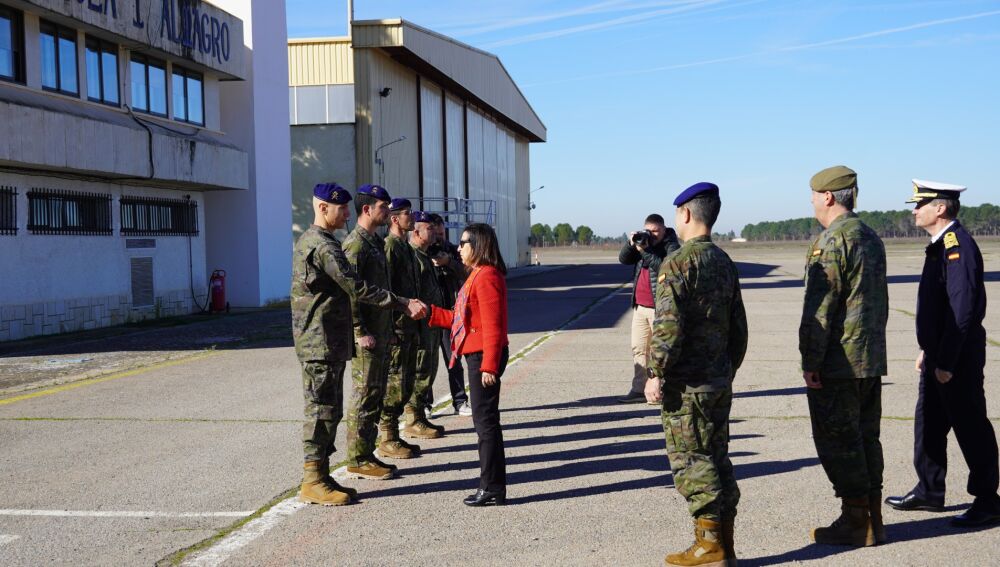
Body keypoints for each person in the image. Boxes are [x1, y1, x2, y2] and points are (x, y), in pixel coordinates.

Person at [291, 183, 424, 505]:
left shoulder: (327, 242)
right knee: (321, 411)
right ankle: (313, 479)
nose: (347, 214)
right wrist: (402, 303)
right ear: (323, 207)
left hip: (329, 340)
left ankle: (321, 475)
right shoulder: (321, 245)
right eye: (341, 208)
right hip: (319, 341)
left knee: (330, 410)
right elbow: (355, 286)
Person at [885, 180, 1000, 527]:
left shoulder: (957, 246)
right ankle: (930, 490)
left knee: (970, 426)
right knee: (929, 424)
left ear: (941, 208)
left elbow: (961, 310)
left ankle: (987, 500)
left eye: (920, 204)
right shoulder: (939, 246)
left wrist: (947, 361)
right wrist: (928, 349)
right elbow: (940, 307)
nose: (914, 210)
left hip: (958, 357)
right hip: (938, 354)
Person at [645, 182, 747, 566]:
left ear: (685, 214)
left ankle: (710, 547)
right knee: (717, 459)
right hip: (718, 380)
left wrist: (655, 373)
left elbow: (667, 328)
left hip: (687, 386)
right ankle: (726, 543)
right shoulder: (723, 260)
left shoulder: (677, 263)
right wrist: (726, 369)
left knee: (693, 462)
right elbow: (739, 328)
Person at [799, 165, 888, 547]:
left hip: (839, 361)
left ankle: (856, 520)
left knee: (838, 441)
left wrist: (810, 361)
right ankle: (873, 517)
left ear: (829, 197)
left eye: (815, 196)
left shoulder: (832, 241)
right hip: (869, 358)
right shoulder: (870, 236)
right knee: (867, 437)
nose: (814, 203)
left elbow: (820, 308)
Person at [342, 184, 423, 480]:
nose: (387, 212)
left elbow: (383, 290)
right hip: (367, 334)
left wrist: (388, 327)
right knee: (364, 395)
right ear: (367, 209)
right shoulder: (356, 245)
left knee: (376, 393)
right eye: (383, 207)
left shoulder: (374, 243)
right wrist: (359, 329)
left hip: (382, 330)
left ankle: (370, 451)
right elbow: (350, 292)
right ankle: (358, 457)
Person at [427, 223, 510, 506]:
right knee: (484, 422)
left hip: (484, 356)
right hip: (479, 354)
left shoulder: (486, 276)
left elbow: (493, 325)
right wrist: (429, 312)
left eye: (464, 243)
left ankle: (492, 487)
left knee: (485, 423)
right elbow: (462, 319)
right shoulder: (476, 274)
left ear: (479, 245)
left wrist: (489, 366)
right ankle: (492, 486)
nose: (459, 248)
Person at [378, 198, 423, 460]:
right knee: (394, 384)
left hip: (410, 324)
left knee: (406, 382)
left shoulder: (405, 247)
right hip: (397, 325)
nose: (412, 217)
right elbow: (387, 289)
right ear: (395, 218)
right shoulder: (390, 247)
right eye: (407, 214)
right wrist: (390, 326)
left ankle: (396, 434)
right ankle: (388, 437)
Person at [618, 213, 680, 403]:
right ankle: (638, 389)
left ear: (663, 229)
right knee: (639, 349)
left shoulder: (671, 245)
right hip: (639, 307)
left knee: (661, 351)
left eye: (656, 231)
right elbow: (623, 259)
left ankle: (667, 390)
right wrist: (631, 244)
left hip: (660, 308)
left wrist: (645, 251)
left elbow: (665, 268)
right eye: (649, 231)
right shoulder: (642, 242)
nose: (652, 235)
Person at [403, 211, 448, 440]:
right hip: (420, 326)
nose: (434, 232)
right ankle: (413, 419)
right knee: (420, 371)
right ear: (416, 231)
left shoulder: (425, 255)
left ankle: (419, 415)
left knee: (429, 371)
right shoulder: (411, 256)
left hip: (432, 324)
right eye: (429, 228)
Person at [430, 214, 472, 416]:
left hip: (449, 313)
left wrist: (448, 263)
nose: (437, 237)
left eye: (440, 232)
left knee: (453, 360)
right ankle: (424, 403)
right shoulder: (420, 252)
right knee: (427, 364)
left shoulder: (455, 251)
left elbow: (467, 273)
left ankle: (460, 400)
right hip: (429, 315)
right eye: (434, 232)